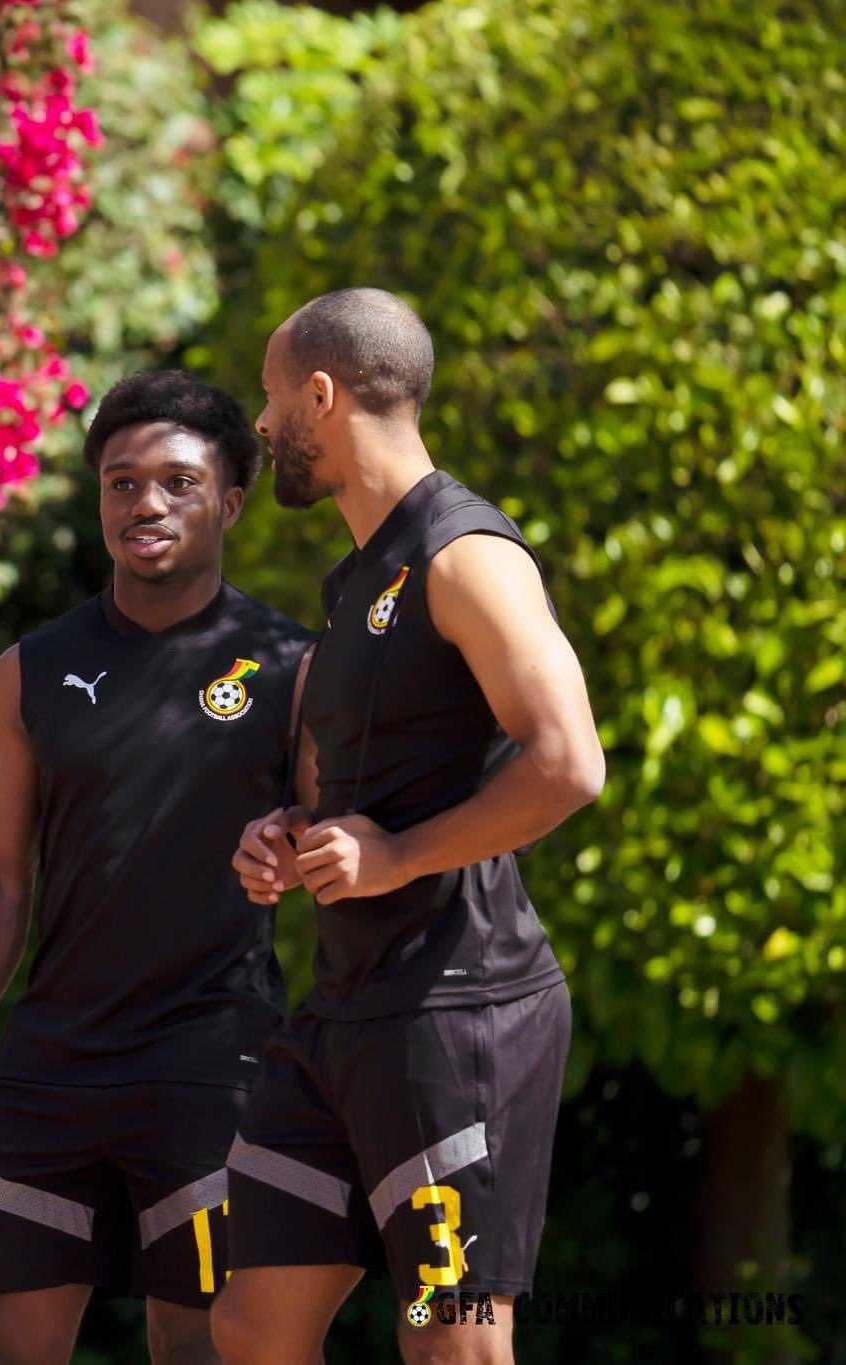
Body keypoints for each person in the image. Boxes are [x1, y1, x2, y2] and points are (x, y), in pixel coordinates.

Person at [0, 371, 316, 1364]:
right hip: (52, 1064)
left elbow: (329, 836)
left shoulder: (294, 667)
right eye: (121, 483)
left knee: (203, 1348)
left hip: (213, 1059)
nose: (145, 504)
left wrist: (293, 845)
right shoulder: (30, 670)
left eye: (177, 482)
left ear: (229, 503)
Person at [212, 289, 604, 1365]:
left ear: (321, 396)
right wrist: (288, 832)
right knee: (251, 1325)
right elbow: (374, 787)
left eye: (270, 396)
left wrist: (396, 858)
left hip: (456, 1011)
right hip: (344, 1010)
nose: (261, 422)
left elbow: (569, 763)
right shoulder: (356, 579)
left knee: (452, 1342)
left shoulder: (465, 554)